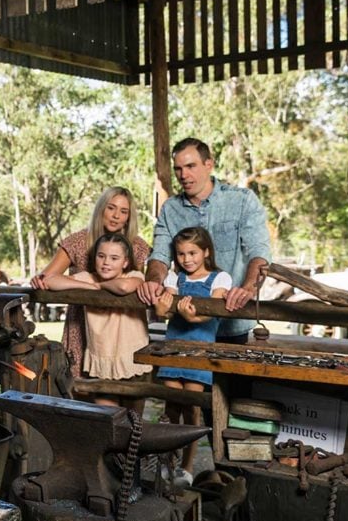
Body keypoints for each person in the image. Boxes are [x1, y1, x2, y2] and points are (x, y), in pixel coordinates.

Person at [137, 138, 271, 345]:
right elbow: (160, 256)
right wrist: (153, 280)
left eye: (190, 166)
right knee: (180, 375)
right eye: (178, 169)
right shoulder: (170, 208)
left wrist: (247, 288)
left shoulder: (243, 200)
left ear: (209, 164)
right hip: (185, 324)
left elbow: (259, 252)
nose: (184, 175)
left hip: (231, 320)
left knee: (231, 377)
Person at [31, 187, 151, 377]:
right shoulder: (78, 241)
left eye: (123, 211)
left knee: (131, 392)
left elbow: (140, 287)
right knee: (85, 391)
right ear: (101, 208)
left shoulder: (138, 247)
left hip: (124, 329)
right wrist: (40, 280)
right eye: (111, 208)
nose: (116, 216)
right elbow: (47, 278)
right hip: (83, 325)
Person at [153, 227, 232, 482]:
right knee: (171, 408)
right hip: (173, 349)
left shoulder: (219, 279)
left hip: (200, 353)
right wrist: (162, 308)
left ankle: (186, 468)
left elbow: (215, 310)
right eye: (181, 254)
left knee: (192, 411)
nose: (187, 259)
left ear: (206, 251)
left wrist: (191, 315)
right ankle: (167, 461)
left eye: (193, 253)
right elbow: (164, 310)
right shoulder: (175, 279)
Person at [43, 233, 151, 406]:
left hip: (132, 358)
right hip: (102, 358)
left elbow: (124, 287)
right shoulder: (88, 278)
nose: (106, 262)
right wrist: (87, 285)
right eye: (101, 256)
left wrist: (98, 287)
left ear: (125, 262)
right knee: (107, 420)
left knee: (134, 422)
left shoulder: (134, 275)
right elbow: (49, 279)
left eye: (114, 258)